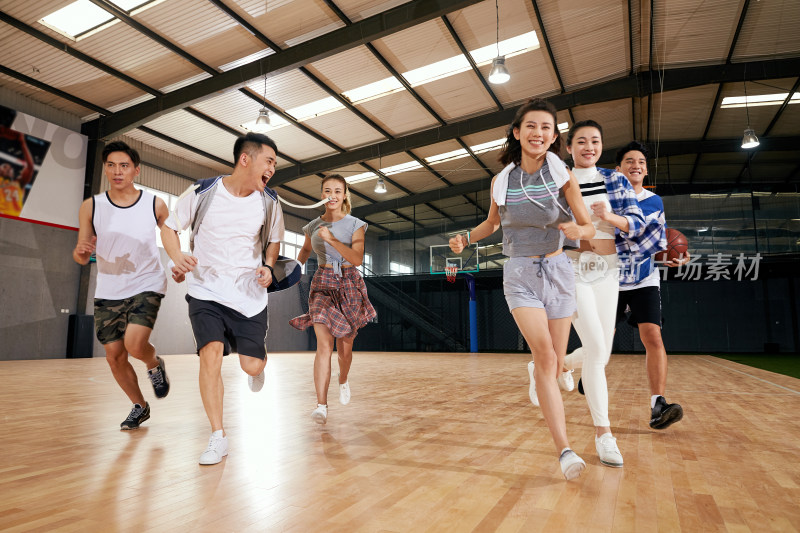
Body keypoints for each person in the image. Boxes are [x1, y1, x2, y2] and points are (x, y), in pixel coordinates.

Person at [450, 98, 595, 480]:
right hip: (519, 273)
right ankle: (564, 450)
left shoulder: (562, 175)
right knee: (547, 355)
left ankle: (542, 370)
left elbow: (588, 226)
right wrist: (466, 238)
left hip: (560, 271)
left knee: (554, 361)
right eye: (531, 126)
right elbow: (491, 224)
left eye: (547, 127)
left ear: (553, 136)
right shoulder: (502, 180)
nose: (539, 133)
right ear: (517, 132)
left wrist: (581, 231)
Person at [161, 132, 285, 465]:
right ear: (246, 159)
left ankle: (258, 365)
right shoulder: (202, 191)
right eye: (269, 161)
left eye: (274, 163)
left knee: (251, 365)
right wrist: (177, 257)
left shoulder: (270, 202)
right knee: (210, 355)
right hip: (206, 292)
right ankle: (218, 436)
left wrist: (269, 267)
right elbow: (169, 227)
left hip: (249, 297)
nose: (273, 168)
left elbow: (273, 242)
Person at [546, 121, 646, 469]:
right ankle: (604, 434)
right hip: (572, 268)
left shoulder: (616, 179)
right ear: (569, 147)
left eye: (596, 141)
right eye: (582, 141)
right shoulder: (559, 181)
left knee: (598, 354)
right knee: (599, 349)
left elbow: (636, 223)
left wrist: (611, 216)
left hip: (609, 270)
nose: (590, 146)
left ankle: (554, 365)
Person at [72, 141, 171, 430]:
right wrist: (81, 252)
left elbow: (172, 235)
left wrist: (179, 261)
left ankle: (153, 363)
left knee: (134, 344)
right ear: (105, 169)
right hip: (108, 290)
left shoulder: (154, 203)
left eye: (124, 165)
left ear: (136, 170)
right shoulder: (91, 206)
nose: (117, 171)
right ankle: (140, 406)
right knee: (115, 357)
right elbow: (81, 253)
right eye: (111, 165)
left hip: (147, 282)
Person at [289, 174, 377, 424]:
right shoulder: (313, 226)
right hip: (322, 284)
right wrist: (297, 267)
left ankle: (343, 379)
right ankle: (321, 406)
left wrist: (334, 240)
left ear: (345, 194)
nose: (333, 195)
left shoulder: (356, 224)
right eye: (328, 190)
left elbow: (357, 258)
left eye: (338, 191)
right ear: (322, 195)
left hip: (349, 283)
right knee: (324, 346)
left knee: (344, 350)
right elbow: (306, 249)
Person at [614, 141, 688, 429]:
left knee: (653, 337)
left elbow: (661, 242)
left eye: (641, 162)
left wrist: (676, 255)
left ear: (646, 170)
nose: (636, 165)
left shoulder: (655, 202)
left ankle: (658, 404)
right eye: (630, 161)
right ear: (618, 169)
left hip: (645, 277)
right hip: (610, 277)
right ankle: (584, 371)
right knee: (601, 341)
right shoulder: (607, 201)